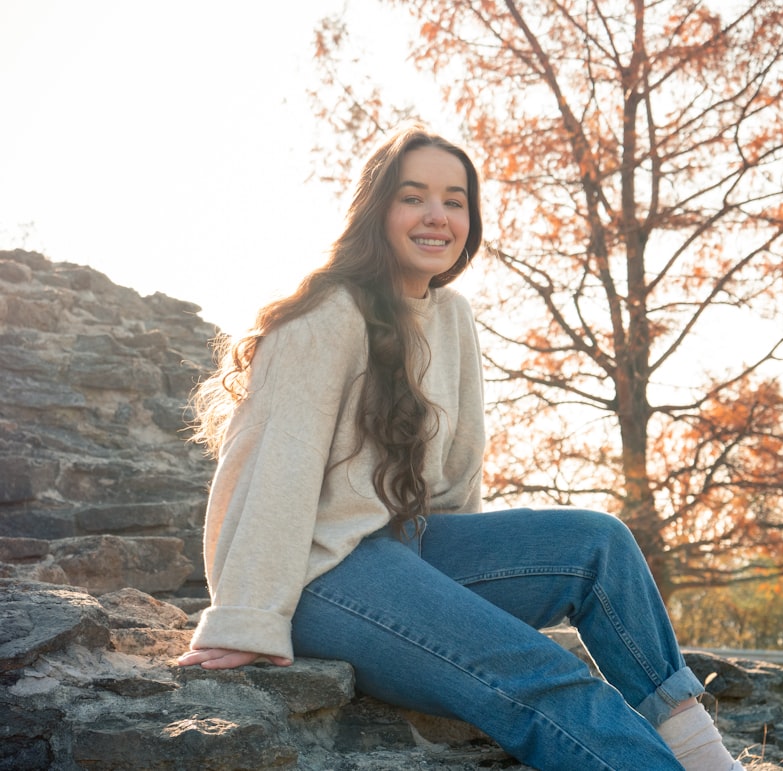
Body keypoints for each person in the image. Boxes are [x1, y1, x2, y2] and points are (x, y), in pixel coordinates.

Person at [178, 124, 744, 771]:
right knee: (542, 671)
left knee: (601, 543)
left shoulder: (452, 316)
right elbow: (272, 476)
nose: (436, 215)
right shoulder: (324, 317)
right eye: (413, 196)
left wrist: (462, 607)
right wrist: (247, 617)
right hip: (320, 575)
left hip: (411, 546)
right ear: (378, 210)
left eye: (454, 200)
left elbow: (455, 479)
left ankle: (703, 753)